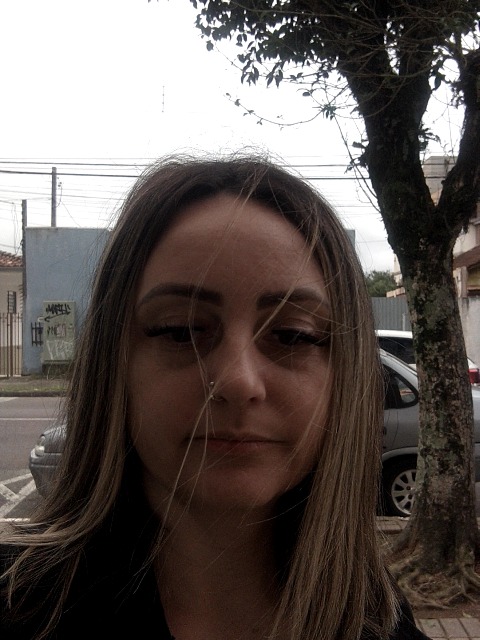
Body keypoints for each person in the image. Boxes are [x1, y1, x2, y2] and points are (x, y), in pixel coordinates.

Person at [0, 153, 430, 640]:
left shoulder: (380, 622)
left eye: (292, 335)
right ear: (114, 363)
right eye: (181, 330)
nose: (239, 382)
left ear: (344, 378)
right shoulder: (20, 607)